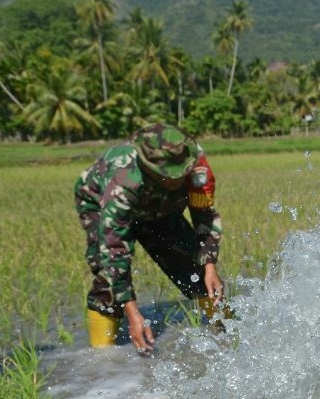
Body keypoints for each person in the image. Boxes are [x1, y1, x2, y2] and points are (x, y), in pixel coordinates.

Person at [74, 123, 224, 354]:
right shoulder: (123, 180)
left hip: (160, 208)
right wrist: (133, 314)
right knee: (108, 283)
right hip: (101, 203)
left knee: (197, 270)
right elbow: (114, 251)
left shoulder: (194, 163)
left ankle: (228, 333)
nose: (175, 180)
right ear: (148, 167)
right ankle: (103, 362)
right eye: (168, 176)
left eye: (179, 174)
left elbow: (203, 213)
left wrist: (210, 266)